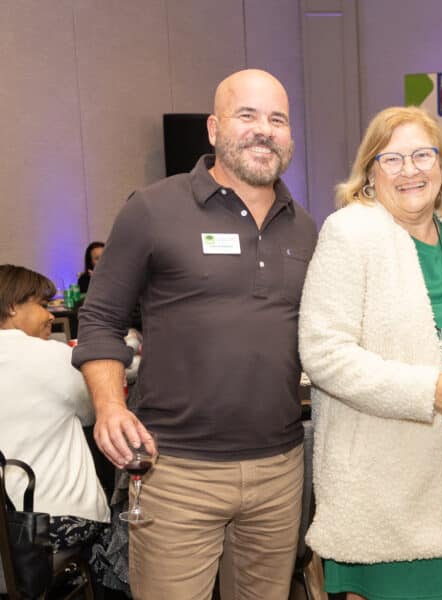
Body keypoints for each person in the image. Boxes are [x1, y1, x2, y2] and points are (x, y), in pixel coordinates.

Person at [71, 68, 317, 599]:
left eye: (277, 119)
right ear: (213, 127)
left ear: (290, 137)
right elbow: (100, 320)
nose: (264, 130)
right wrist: (111, 407)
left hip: (280, 468)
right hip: (176, 470)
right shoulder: (153, 209)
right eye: (247, 115)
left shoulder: (306, 227)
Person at [299, 106, 442, 600]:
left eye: (422, 155)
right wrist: (426, 390)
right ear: (370, 172)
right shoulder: (349, 233)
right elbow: (323, 353)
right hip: (380, 476)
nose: (410, 169)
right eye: (392, 159)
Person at [0, 265, 110, 553]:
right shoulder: (54, 355)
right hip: (48, 521)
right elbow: (95, 412)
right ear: (12, 306)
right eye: (43, 304)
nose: (51, 314)